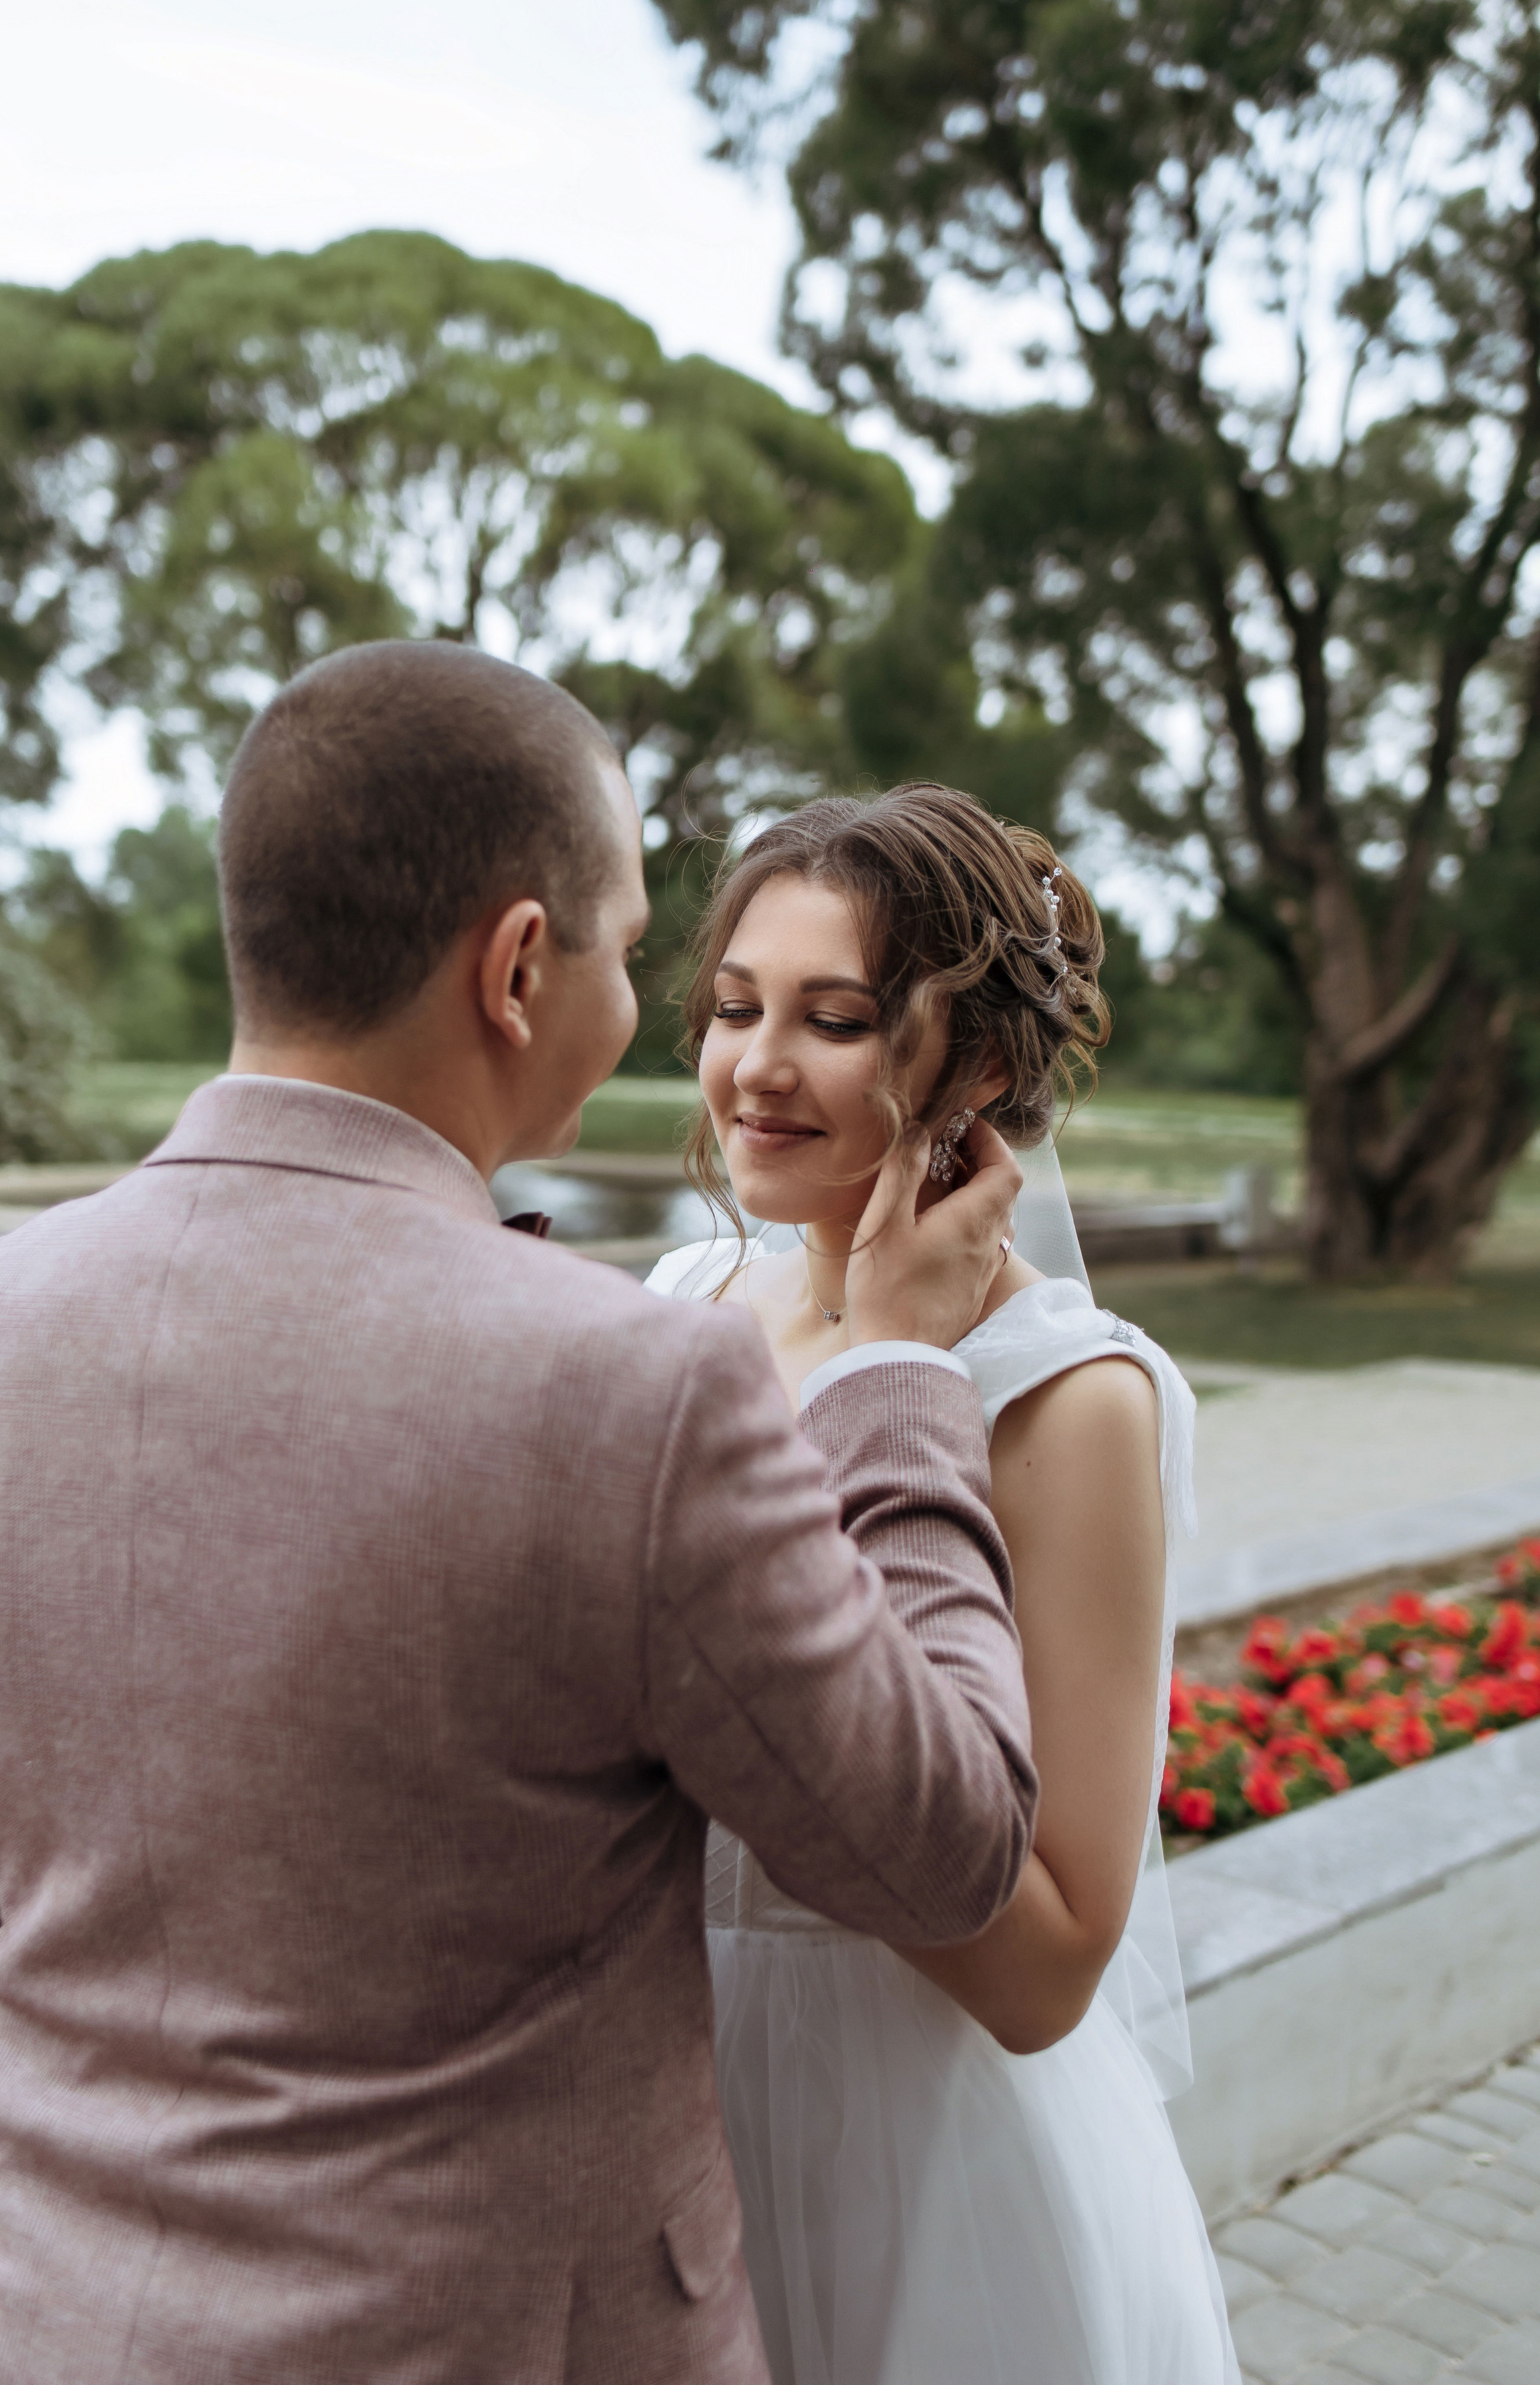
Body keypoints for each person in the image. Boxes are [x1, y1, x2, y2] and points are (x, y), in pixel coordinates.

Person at [0, 644, 1039, 2385]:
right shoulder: (630, 1389)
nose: (651, 1015)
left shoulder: (3, 1315)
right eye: (637, 954)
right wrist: (899, 1380)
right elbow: (943, 1845)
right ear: (520, 967)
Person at [646, 785, 1241, 2384]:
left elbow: (1051, 1959)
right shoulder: (686, 1301)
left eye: (833, 1020)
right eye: (731, 1007)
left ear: (974, 1069)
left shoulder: (1068, 1399)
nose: (753, 1067)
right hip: (654, 2116)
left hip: (915, 2146)